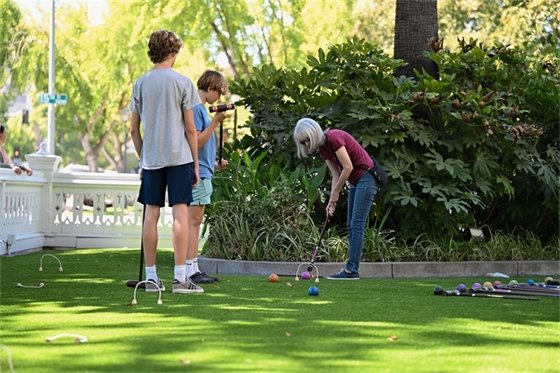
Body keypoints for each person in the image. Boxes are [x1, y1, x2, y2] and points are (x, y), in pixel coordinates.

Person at [129, 29, 202, 294]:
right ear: (173, 52)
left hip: (152, 159)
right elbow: (190, 129)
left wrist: (143, 157)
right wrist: (195, 164)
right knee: (180, 214)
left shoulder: (140, 83)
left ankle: (150, 279)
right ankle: (181, 279)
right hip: (179, 157)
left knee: (151, 214)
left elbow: (133, 130)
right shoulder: (183, 82)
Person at [293, 118, 378, 280]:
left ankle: (352, 270)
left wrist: (335, 193)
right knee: (351, 225)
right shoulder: (323, 148)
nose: (307, 145)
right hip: (355, 181)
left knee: (356, 224)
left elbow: (348, 167)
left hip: (367, 177)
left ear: (313, 132)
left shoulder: (334, 137)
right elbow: (335, 174)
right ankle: (351, 269)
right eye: (303, 142)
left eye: (307, 140)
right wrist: (332, 201)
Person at [186, 70, 229, 284]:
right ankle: (189, 269)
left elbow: (201, 149)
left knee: (195, 221)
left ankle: (193, 266)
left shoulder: (199, 109)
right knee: (192, 223)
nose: (219, 98)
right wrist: (215, 123)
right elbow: (196, 142)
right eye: (219, 93)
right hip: (197, 174)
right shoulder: (195, 109)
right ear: (210, 88)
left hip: (204, 171)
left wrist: (214, 164)